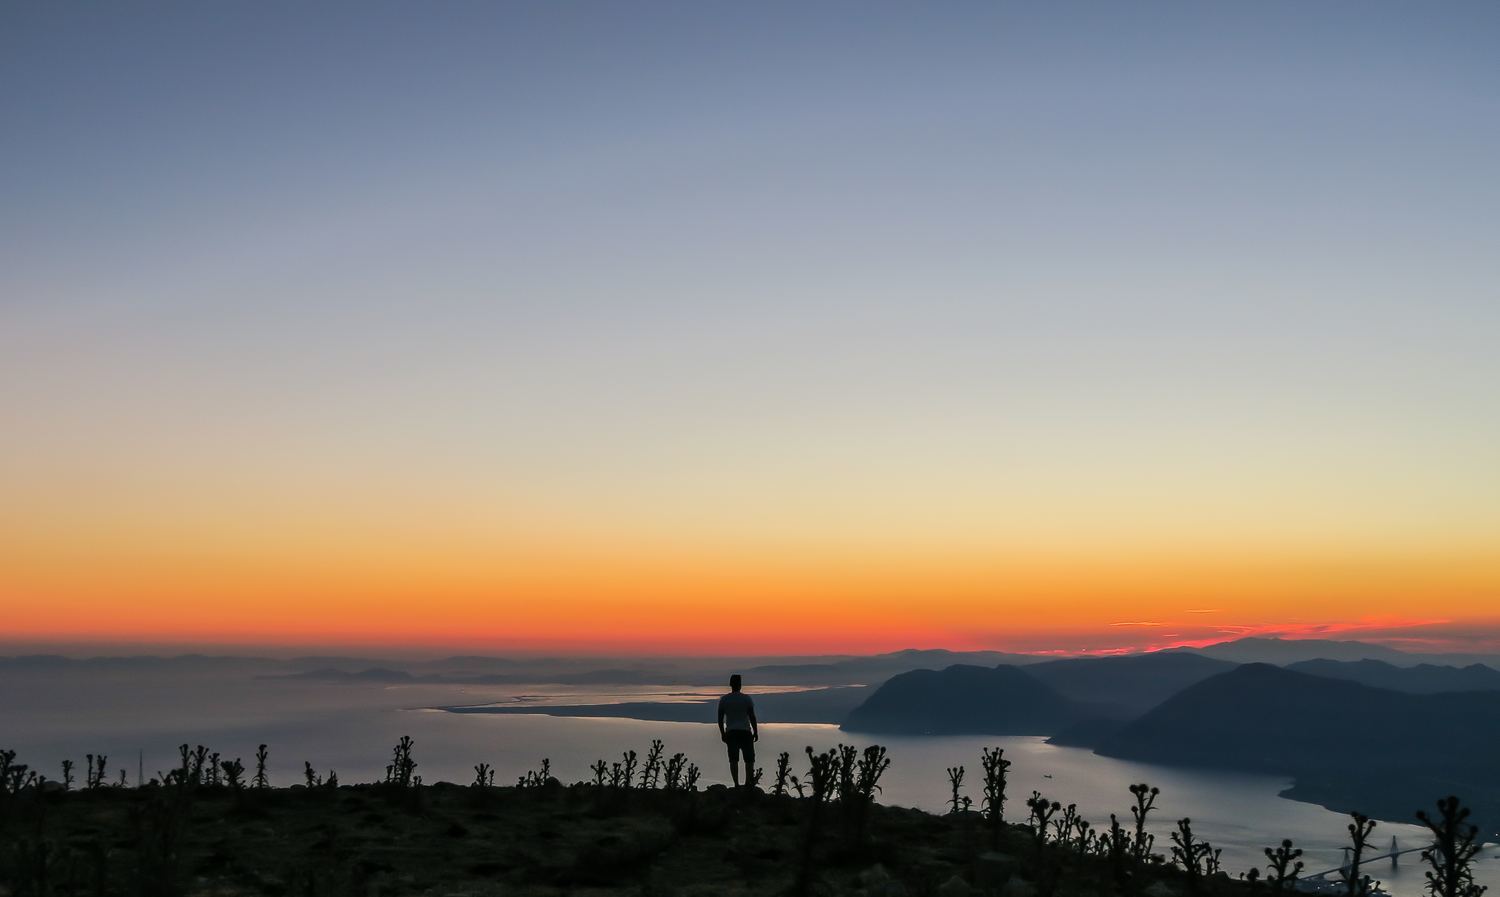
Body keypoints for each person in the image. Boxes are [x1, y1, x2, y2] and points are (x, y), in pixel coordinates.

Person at [717, 673, 758, 787]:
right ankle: (747, 783)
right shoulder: (746, 699)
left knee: (733, 760)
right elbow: (752, 716)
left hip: (731, 732)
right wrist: (756, 731)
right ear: (740, 685)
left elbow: (720, 719)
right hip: (745, 732)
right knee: (749, 759)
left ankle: (736, 784)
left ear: (730, 684)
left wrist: (722, 733)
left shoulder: (724, 700)